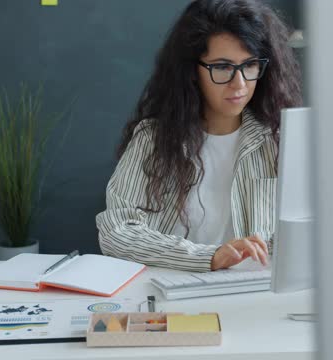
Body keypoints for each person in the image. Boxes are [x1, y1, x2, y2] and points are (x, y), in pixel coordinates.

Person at [96, 0, 301, 272]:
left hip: (255, 291)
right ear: (193, 71)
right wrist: (210, 257)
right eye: (223, 67)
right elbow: (116, 232)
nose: (239, 84)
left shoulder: (279, 140)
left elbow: (309, 229)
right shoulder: (153, 139)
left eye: (249, 65)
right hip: (172, 289)